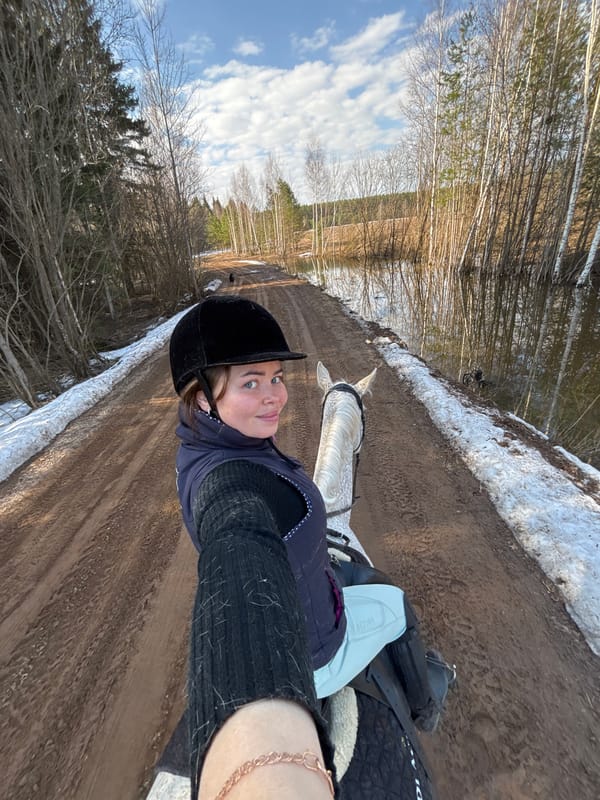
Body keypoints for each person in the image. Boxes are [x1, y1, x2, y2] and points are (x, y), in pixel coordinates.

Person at [169, 294, 449, 798]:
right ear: (201, 399)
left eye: (275, 378)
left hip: (300, 604)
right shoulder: (228, 482)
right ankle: (427, 704)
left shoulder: (203, 446)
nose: (275, 396)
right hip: (314, 652)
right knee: (395, 605)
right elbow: (237, 541)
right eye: (250, 383)